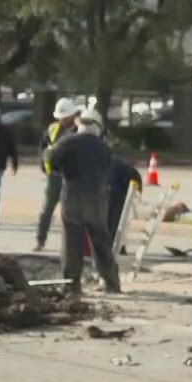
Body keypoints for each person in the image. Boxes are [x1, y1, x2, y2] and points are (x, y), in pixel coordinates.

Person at [47, 115, 122, 294]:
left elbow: (51, 161)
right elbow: (108, 169)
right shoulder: (103, 147)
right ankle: (112, 284)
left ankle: (71, 285)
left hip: (71, 195)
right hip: (97, 198)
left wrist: (64, 171)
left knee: (72, 242)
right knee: (101, 242)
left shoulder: (66, 142)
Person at [34, 97, 80, 250]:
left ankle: (71, 244)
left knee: (71, 213)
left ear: (73, 115)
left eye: (65, 117)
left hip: (72, 177)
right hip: (54, 176)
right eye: (61, 117)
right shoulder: (52, 129)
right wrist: (43, 165)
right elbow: (43, 148)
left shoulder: (79, 131)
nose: (63, 120)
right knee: (47, 209)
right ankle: (40, 240)